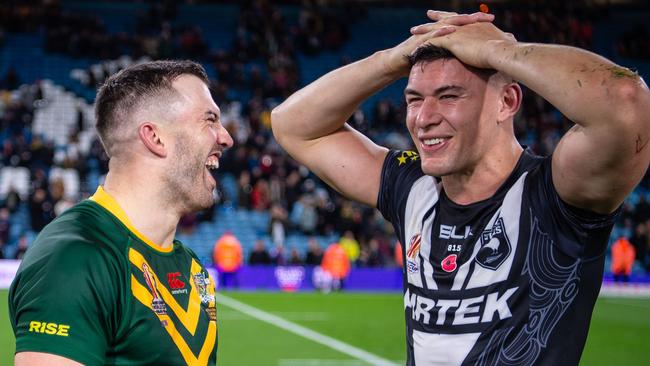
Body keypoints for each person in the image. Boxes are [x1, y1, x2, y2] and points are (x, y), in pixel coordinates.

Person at [271, 9, 650, 365]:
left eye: (449, 96)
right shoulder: (411, 186)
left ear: (507, 101)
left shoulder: (557, 192)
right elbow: (291, 124)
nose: (423, 119)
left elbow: (626, 100)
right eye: (414, 99)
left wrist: (499, 51)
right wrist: (393, 59)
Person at [9, 60, 233, 365]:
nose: (226, 137)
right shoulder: (75, 258)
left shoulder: (191, 267)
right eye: (210, 120)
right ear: (155, 137)